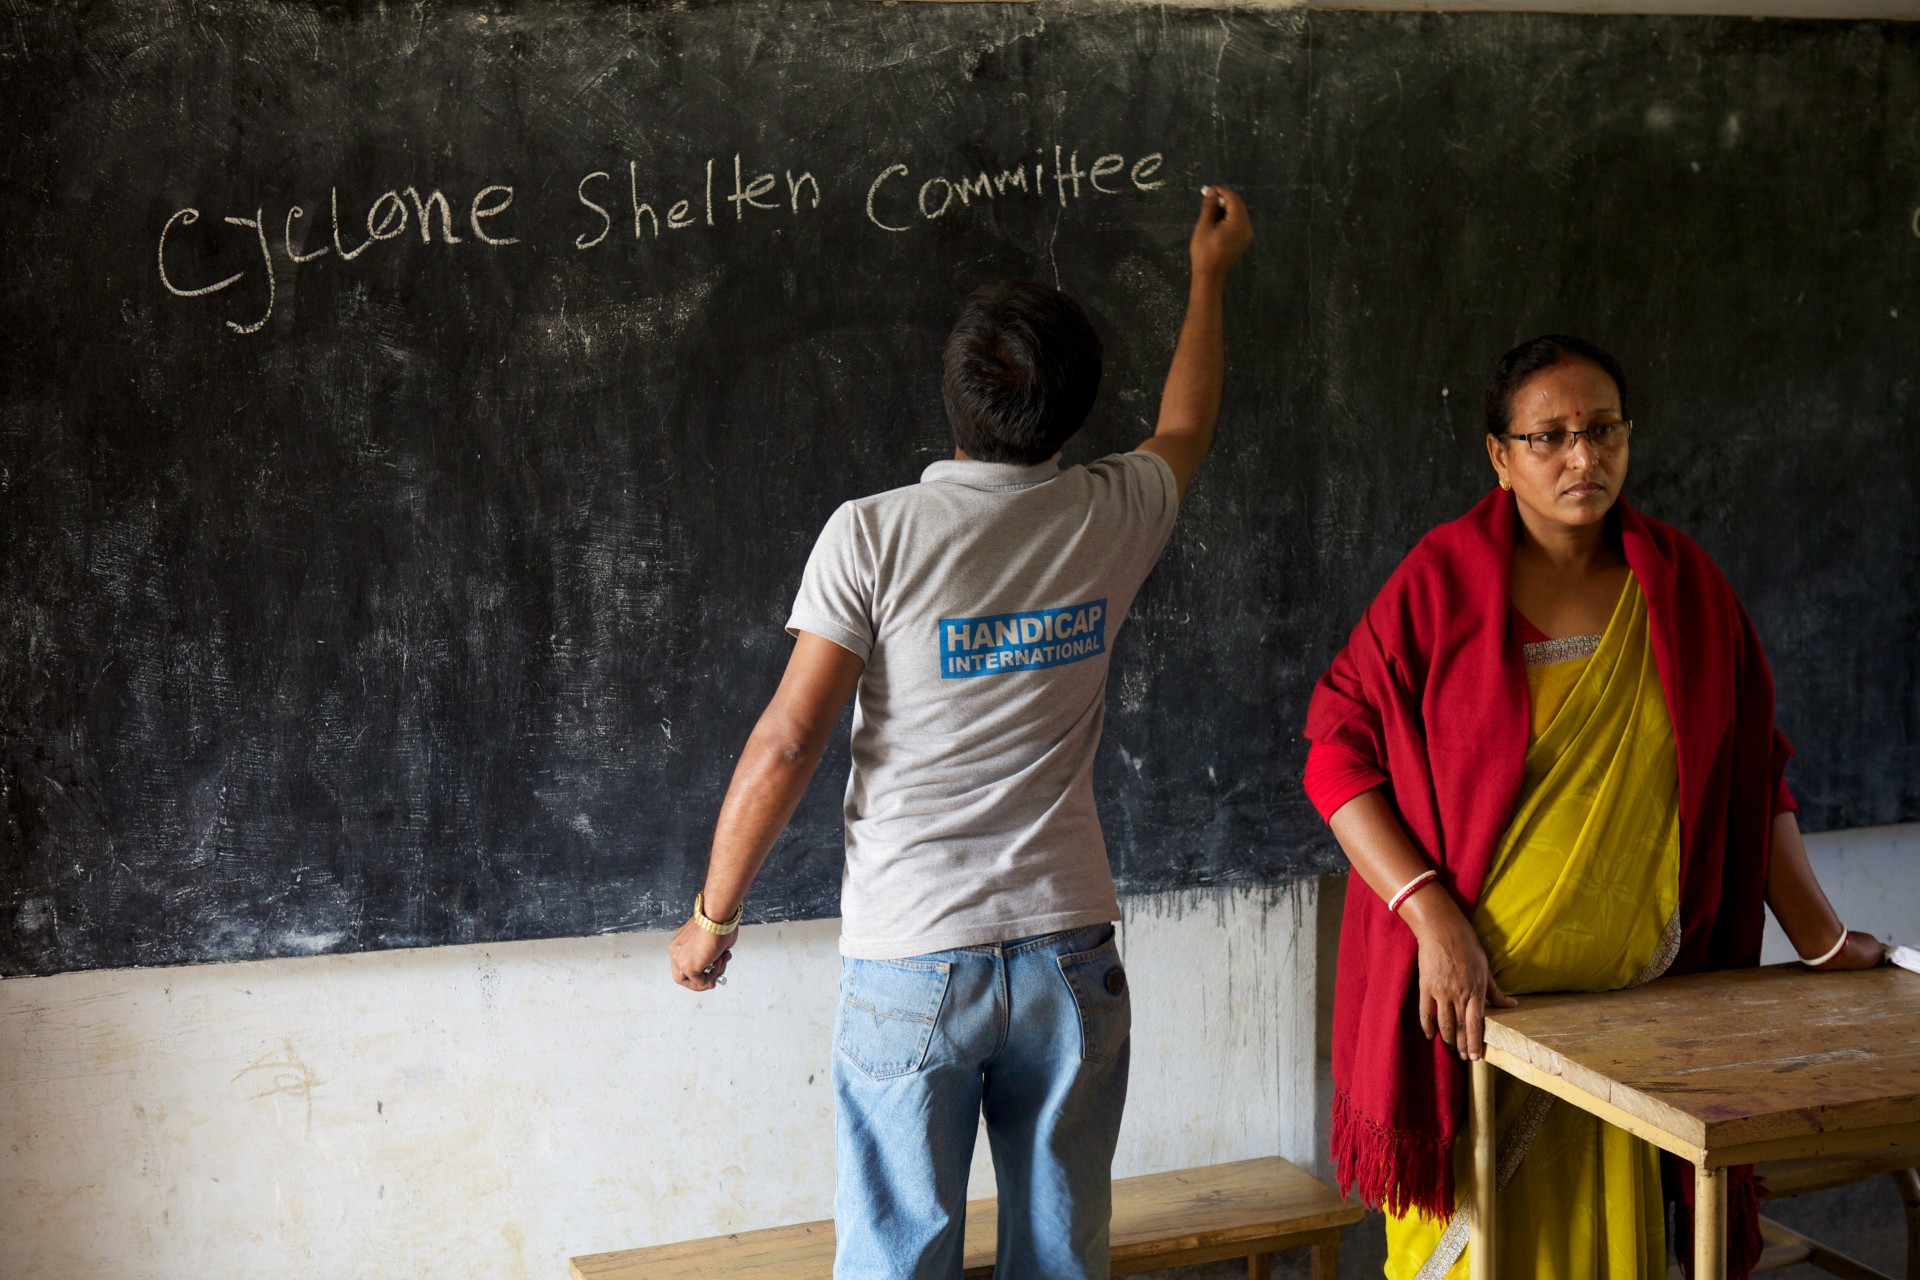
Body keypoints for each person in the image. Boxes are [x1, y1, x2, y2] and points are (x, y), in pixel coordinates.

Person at [668, 186, 1253, 1280]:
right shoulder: (1110, 511)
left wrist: (714, 915)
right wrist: (1209, 275)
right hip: (1070, 954)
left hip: (911, 952)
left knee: (898, 1257)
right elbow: (1185, 424)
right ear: (1073, 410)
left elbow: (788, 742)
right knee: (1064, 1257)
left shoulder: (874, 534)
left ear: (955, 393)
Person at [1302, 335, 1888, 1280]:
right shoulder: (1440, 585)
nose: (1583, 458)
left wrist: (1820, 937)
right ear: (1500, 456)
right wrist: (1434, 920)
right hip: (1478, 1017)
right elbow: (1335, 758)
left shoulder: (1685, 588)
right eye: (1550, 437)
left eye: (1603, 430)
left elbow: (1752, 776)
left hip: (1630, 1035)